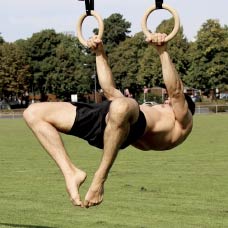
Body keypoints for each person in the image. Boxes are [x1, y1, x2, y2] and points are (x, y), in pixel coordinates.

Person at [23, 33, 195, 208]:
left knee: (120, 106)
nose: (164, 102)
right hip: (108, 123)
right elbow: (109, 90)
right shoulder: (139, 109)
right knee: (32, 113)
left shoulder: (182, 123)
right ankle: (70, 172)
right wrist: (99, 53)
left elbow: (176, 92)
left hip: (128, 125)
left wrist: (163, 51)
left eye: (168, 104)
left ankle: (99, 178)